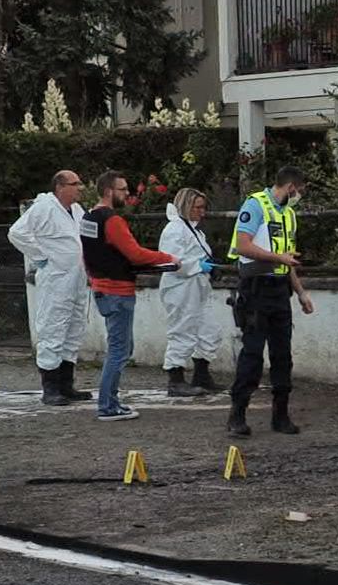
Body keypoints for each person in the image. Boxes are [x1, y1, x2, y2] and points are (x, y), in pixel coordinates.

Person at [79, 171, 180, 420]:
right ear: (108, 191)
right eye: (122, 189)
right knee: (119, 350)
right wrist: (169, 258)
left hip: (102, 288)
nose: (127, 194)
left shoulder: (88, 218)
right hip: (117, 291)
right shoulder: (112, 220)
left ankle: (110, 402)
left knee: (121, 348)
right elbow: (135, 254)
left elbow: (88, 254)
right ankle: (107, 406)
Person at [225, 166, 314, 439]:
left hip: (279, 290)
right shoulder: (256, 205)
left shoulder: (288, 214)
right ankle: (237, 415)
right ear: (290, 188)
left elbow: (288, 260)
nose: (298, 196)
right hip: (255, 288)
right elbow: (243, 245)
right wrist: (279, 259)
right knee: (252, 353)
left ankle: (281, 415)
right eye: (298, 191)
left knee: (282, 355)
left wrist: (300, 292)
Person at [8, 170, 91, 406]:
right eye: (75, 184)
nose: (80, 188)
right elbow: (16, 233)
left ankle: (66, 385)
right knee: (53, 329)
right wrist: (40, 256)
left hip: (76, 278)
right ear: (60, 187)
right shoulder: (44, 207)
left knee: (74, 329)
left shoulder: (77, 211)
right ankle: (50, 387)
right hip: (55, 279)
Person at [159, 188, 222, 399]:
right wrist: (199, 266)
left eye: (203, 207)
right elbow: (171, 261)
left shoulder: (193, 230)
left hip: (197, 285)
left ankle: (201, 375)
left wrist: (208, 268)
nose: (202, 212)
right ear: (186, 206)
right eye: (198, 207)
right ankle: (175, 380)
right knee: (182, 330)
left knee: (209, 329)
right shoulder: (174, 230)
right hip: (180, 288)